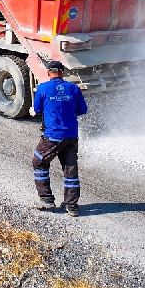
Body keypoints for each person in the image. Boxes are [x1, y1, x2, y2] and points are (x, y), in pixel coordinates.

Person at [31, 59, 87, 217]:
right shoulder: (73, 88)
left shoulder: (43, 88)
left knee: (38, 162)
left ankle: (46, 199)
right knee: (70, 169)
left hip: (52, 137)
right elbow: (82, 110)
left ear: (49, 73)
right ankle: (72, 206)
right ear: (62, 73)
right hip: (71, 136)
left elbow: (37, 109)